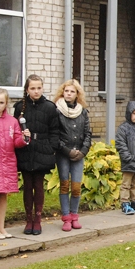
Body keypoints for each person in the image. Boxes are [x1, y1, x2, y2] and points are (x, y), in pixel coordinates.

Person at [14, 74, 59, 235]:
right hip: (25, 150)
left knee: (38, 185)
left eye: (39, 88)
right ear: (27, 90)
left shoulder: (49, 107)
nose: (36, 91)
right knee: (27, 185)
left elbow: (55, 130)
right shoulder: (20, 107)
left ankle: (38, 219)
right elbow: (15, 129)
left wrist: (51, 148)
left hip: (42, 150)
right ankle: (28, 220)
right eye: (32, 88)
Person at [0, 89, 28, 239]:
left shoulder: (12, 121)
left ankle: (1, 227)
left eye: (1, 103)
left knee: (3, 194)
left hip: (7, 162)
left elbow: (16, 141)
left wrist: (23, 138)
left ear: (6, 104)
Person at [54, 79, 91, 232]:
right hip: (63, 154)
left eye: (72, 92)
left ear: (77, 95)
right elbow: (55, 134)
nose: (68, 94)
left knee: (76, 187)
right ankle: (66, 218)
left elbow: (88, 133)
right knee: (64, 185)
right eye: (66, 91)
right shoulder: (56, 110)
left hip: (79, 155)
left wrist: (82, 151)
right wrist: (67, 151)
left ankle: (74, 215)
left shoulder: (82, 111)